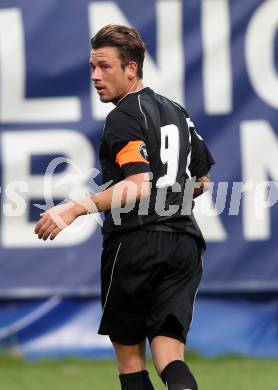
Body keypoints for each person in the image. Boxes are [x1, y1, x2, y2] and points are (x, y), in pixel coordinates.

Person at [35, 24, 215, 390]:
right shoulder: (177, 111)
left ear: (131, 69)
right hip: (184, 244)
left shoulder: (123, 116)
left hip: (137, 244)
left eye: (105, 67)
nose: (95, 76)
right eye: (91, 67)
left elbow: (137, 184)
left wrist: (73, 208)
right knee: (170, 357)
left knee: (131, 361)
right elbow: (203, 181)